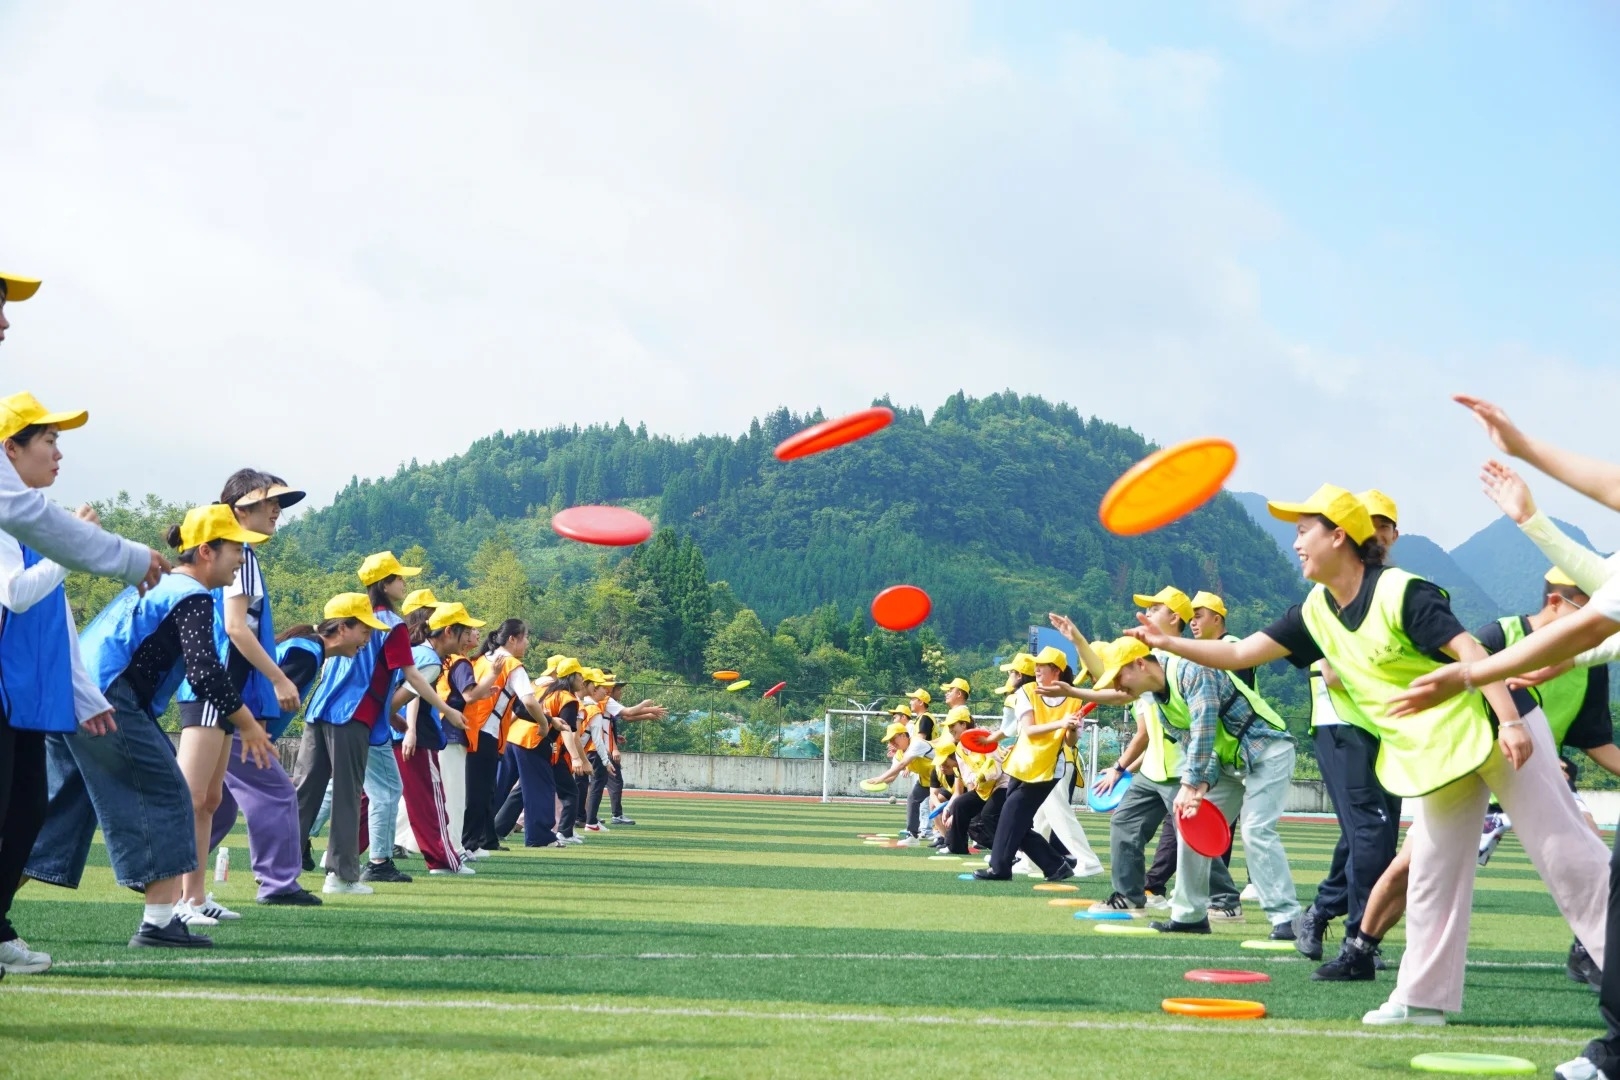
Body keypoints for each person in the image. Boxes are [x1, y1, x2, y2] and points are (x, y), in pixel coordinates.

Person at [1134, 482, 1607, 1027]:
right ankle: (1423, 1000)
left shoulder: (1403, 592)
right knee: (1431, 871)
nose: (1296, 545)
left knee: (1568, 856)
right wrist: (1169, 644)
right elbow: (1240, 651)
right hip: (1439, 753)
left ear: (1340, 536)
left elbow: (1470, 651)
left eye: (1303, 531)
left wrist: (1509, 721)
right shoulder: (1316, 610)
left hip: (1500, 726)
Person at [26, 504, 272, 948]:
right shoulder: (191, 593)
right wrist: (249, 724)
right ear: (205, 551)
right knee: (169, 792)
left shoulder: (162, 584)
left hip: (71, 694)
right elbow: (204, 672)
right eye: (236, 549)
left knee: (52, 816)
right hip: (106, 699)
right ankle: (159, 923)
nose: (241, 559)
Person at [0, 394, 123, 973]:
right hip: (7, 691)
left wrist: (85, 695)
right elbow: (17, 593)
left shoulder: (37, 519)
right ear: (11, 450)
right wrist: (70, 545)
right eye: (48, 440)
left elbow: (59, 622)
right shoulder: (9, 518)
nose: (58, 453)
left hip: (28, 697)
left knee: (26, 815)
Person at [1091, 637, 1300, 939]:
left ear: (1139, 663)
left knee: (1255, 830)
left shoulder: (1191, 669)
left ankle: (1287, 919)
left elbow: (1204, 727)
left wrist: (1189, 784)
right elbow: (1199, 748)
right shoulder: (1160, 705)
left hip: (1266, 751)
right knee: (1189, 820)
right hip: (1230, 762)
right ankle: (1189, 916)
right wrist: (1200, 785)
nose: (1118, 687)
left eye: (1119, 677)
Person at [172, 470, 305, 927]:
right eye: (270, 502)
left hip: (226, 691)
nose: (277, 512)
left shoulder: (245, 556)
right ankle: (171, 899)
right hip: (214, 687)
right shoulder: (240, 555)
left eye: (281, 504)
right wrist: (279, 679)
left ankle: (194, 896)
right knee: (190, 797)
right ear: (237, 508)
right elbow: (234, 628)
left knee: (209, 800)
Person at [294, 552, 463, 893]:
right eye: (400, 578)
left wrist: (396, 717)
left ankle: (275, 868)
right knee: (347, 794)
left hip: (319, 711)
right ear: (385, 585)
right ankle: (340, 877)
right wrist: (446, 707)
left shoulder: (352, 616)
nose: (404, 583)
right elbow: (412, 677)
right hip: (354, 717)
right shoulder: (392, 626)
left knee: (303, 793)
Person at [207, 598, 379, 908]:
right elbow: (263, 691)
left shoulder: (306, 648)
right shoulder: (307, 653)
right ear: (342, 628)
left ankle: (167, 870)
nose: (367, 640)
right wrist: (255, 731)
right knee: (279, 795)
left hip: (229, 731)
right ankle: (277, 884)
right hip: (241, 736)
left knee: (219, 812)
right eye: (365, 631)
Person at [1296, 489, 1405, 970]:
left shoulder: (1392, 590)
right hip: (1341, 723)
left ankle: (1319, 911)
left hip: (1388, 730)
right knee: (1369, 833)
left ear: (1394, 534)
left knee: (1370, 835)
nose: (1375, 531)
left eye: (1383, 524)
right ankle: (1361, 938)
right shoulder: (1329, 592)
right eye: (1368, 522)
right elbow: (1329, 665)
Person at [1083, 591, 1239, 917]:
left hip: (1184, 768)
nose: (1147, 614)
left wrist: (1195, 776)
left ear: (1175, 617)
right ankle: (1129, 896)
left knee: (1192, 837)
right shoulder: (1145, 659)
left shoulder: (1189, 663)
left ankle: (1224, 900)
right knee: (1124, 823)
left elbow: (1202, 723)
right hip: (1152, 770)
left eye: (1155, 609)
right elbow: (1111, 686)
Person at [972, 646, 1086, 883]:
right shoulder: (1027, 691)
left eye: (1041, 667)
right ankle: (1055, 865)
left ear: (1056, 671)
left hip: (1048, 769)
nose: (1036, 671)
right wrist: (1061, 722)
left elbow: (1070, 741)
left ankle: (1000, 868)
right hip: (1021, 764)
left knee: (1010, 814)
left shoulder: (1075, 699)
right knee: (1012, 818)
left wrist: (1072, 728)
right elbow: (1031, 730)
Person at [461, 620, 539, 855]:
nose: (527, 643)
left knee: (486, 790)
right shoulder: (511, 664)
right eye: (525, 638)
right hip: (483, 731)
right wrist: (545, 723)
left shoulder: (481, 659)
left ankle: (485, 839)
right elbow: (528, 701)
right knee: (479, 792)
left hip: (473, 729)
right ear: (512, 639)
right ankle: (468, 844)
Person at [505, 657, 583, 848]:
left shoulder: (540, 687)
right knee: (542, 789)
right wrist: (576, 758)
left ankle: (493, 830)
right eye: (580, 675)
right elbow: (567, 732)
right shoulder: (567, 698)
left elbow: (519, 710)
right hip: (534, 741)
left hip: (513, 738)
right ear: (571, 676)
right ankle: (539, 836)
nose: (582, 680)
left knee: (508, 788)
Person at [865, 716, 938, 848]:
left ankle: (952, 836)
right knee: (913, 799)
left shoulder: (916, 743)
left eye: (894, 739)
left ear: (904, 736)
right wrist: (874, 783)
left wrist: (879, 778)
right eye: (890, 741)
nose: (892, 743)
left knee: (943, 805)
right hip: (927, 780)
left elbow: (902, 765)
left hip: (945, 776)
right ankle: (913, 836)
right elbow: (893, 775)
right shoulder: (899, 753)